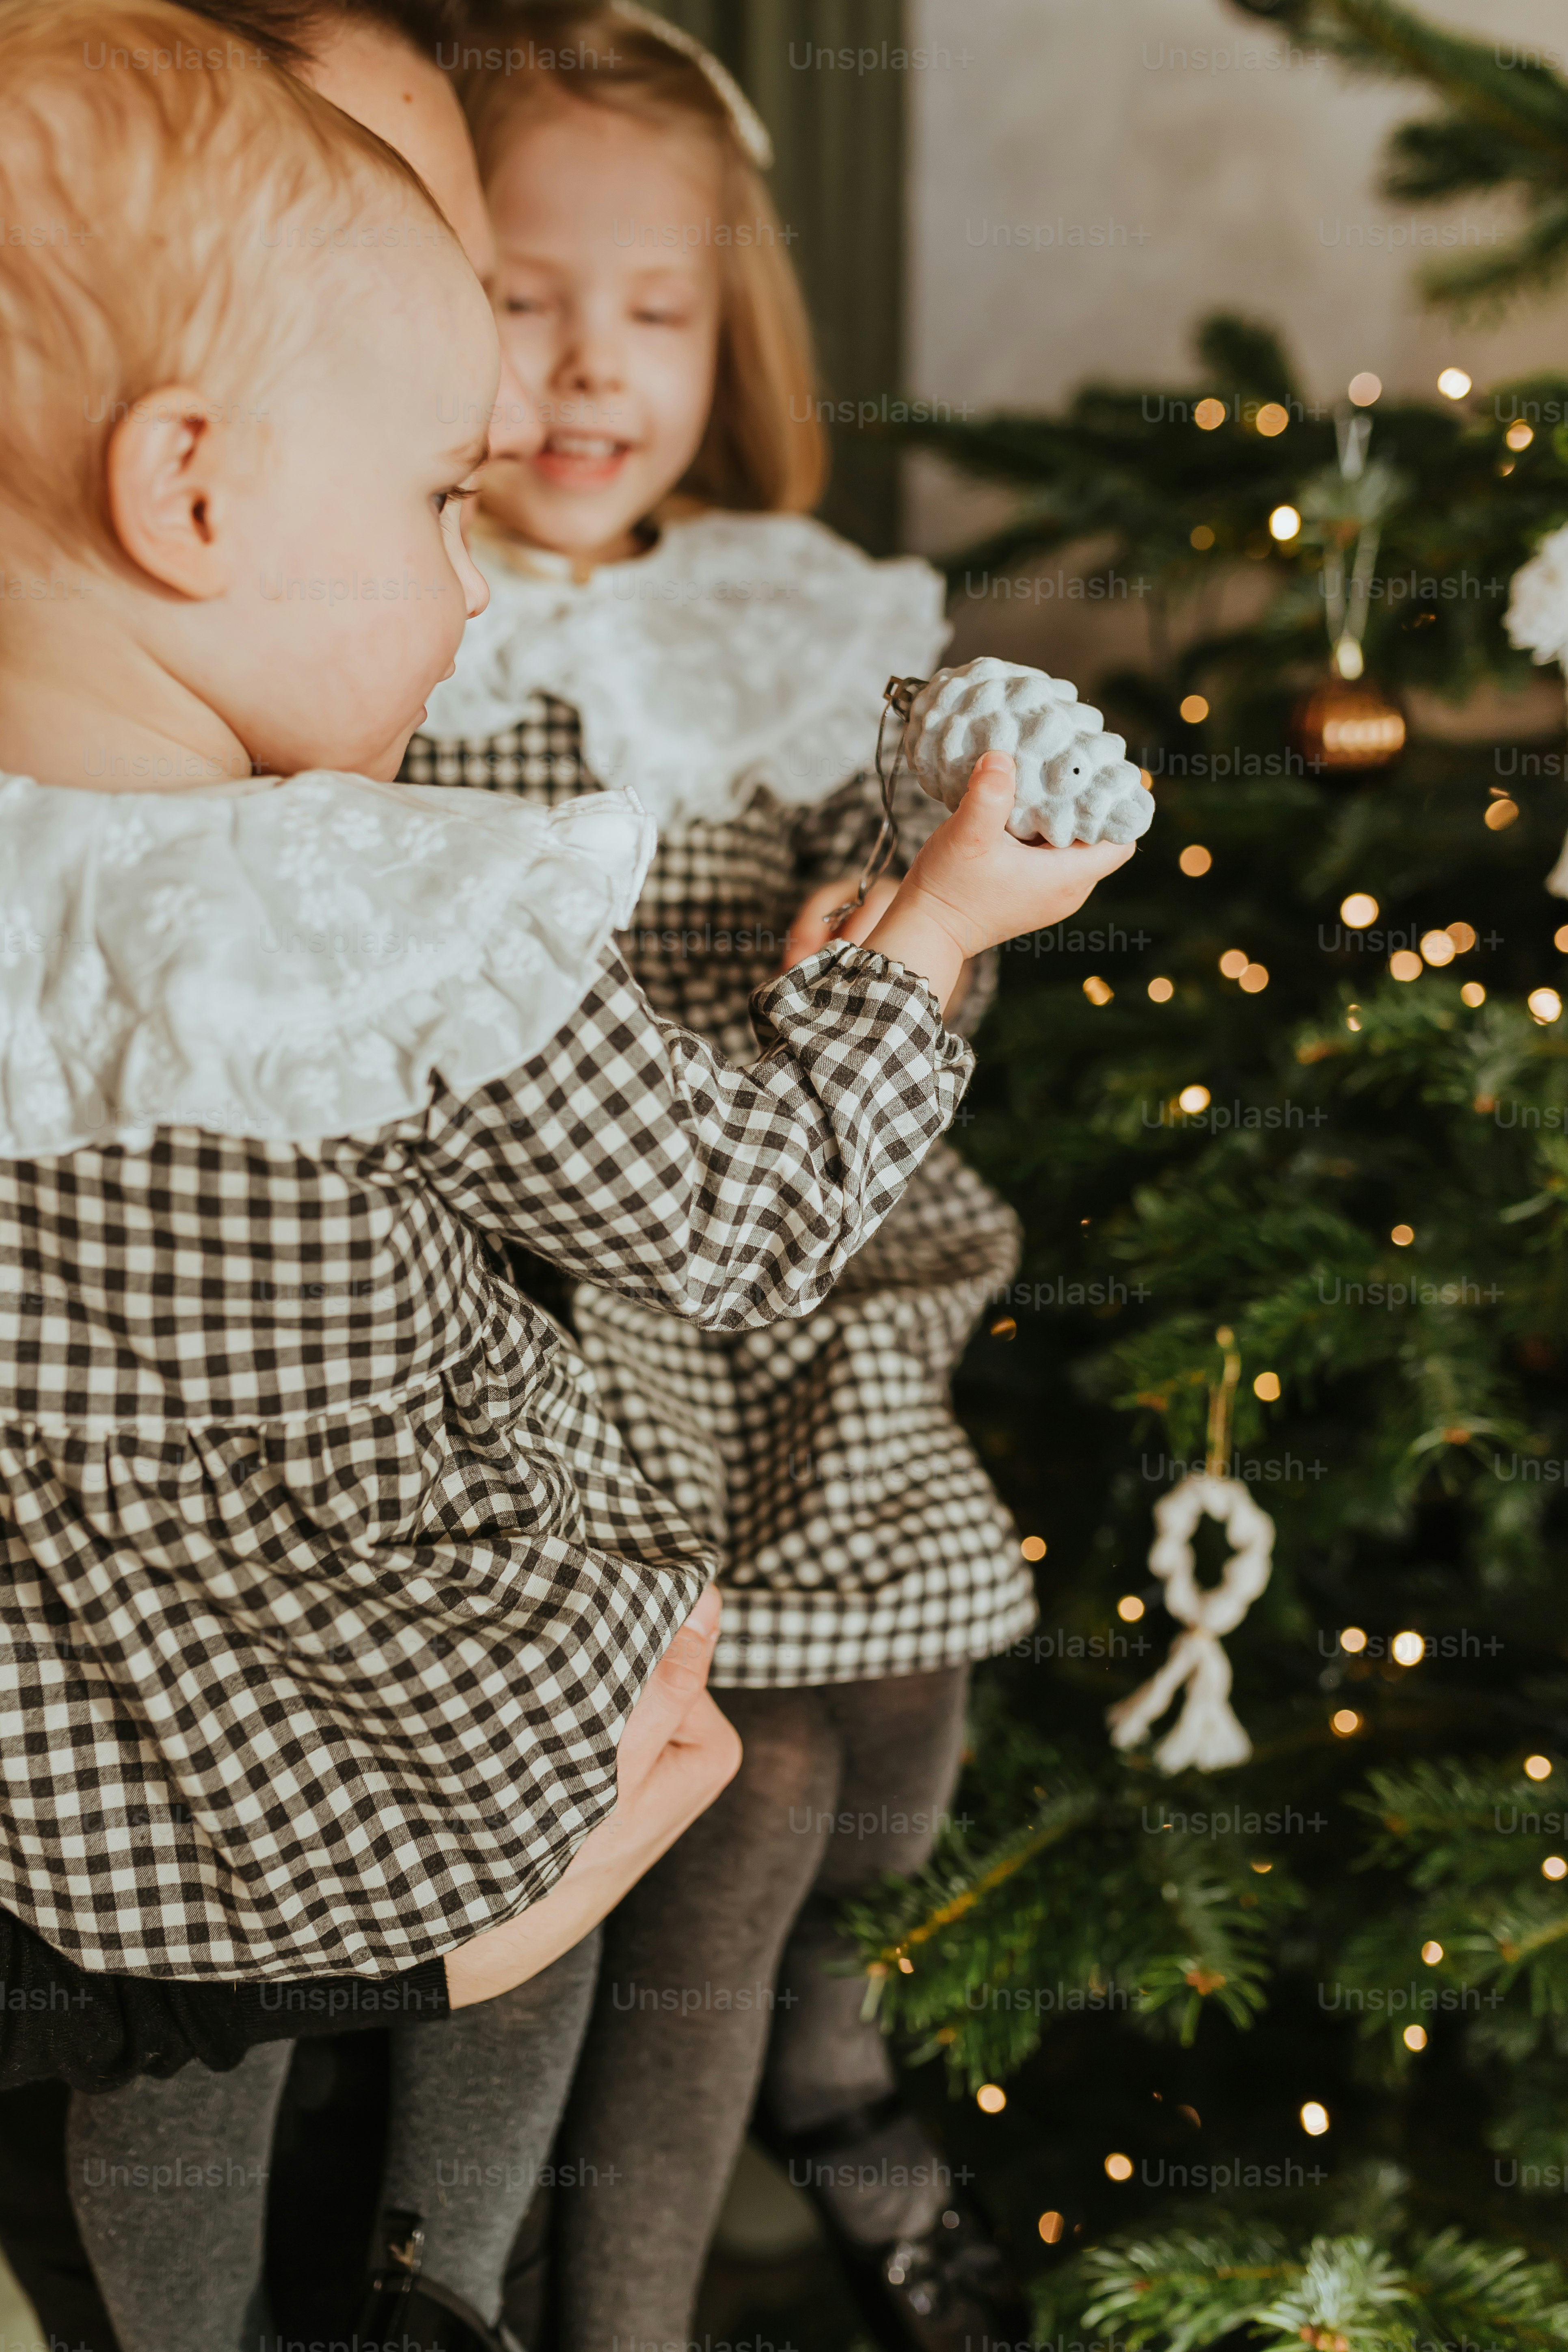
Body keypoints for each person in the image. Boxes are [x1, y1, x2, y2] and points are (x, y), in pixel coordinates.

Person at [0, 5, 1130, 2346]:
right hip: (431, 1710)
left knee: (173, 2029)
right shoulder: (377, 899)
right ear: (191, 491)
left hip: (69, 1796)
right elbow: (734, 1216)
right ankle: (455, 2289)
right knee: (665, 1692)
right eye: (434, 502)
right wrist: (928, 933)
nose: (479, 578)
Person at [406, 10, 1070, 2346]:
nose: (593, 367)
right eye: (518, 294)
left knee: (904, 1705)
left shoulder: (783, 615)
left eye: (655, 313)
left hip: (791, 1243)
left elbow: (921, 882)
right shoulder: (384, 607)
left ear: (729, 332)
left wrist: (895, 934)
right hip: (552, 1298)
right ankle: (648, 2261)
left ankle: (828, 2054)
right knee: (745, 1766)